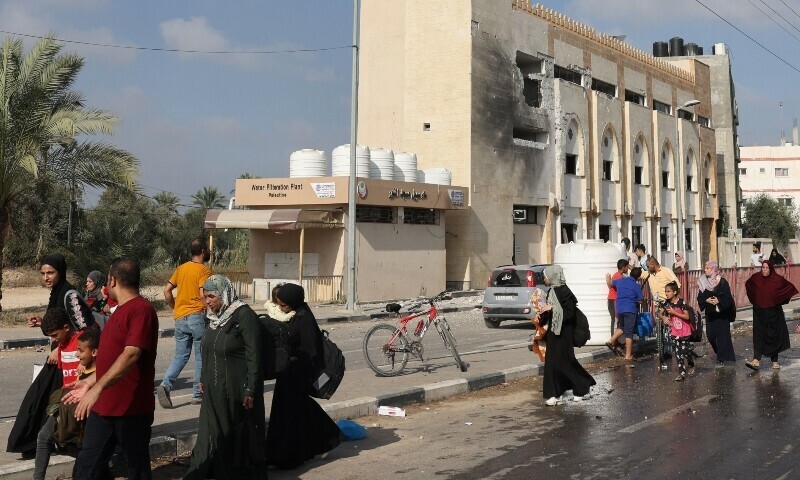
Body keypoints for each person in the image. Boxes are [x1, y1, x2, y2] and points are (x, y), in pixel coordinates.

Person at [65, 257, 159, 480]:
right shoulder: (119, 311)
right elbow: (111, 359)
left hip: (132, 410)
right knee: (86, 469)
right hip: (104, 408)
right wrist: (89, 382)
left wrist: (97, 389)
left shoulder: (141, 310)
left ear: (113, 280)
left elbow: (131, 354)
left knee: (137, 470)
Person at [184, 275, 267, 479]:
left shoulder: (244, 315)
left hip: (236, 388)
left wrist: (251, 388)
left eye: (212, 296)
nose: (208, 301)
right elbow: (207, 350)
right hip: (214, 387)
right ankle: (205, 465)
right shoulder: (214, 318)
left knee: (232, 433)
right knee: (210, 430)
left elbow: (254, 354)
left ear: (224, 294)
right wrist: (203, 378)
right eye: (205, 297)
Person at [266, 283, 342, 468]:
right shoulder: (296, 314)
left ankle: (287, 457)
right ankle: (329, 438)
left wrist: (294, 358)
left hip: (298, 373)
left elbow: (311, 351)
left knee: (290, 415)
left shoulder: (305, 318)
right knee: (298, 410)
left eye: (283, 304)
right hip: (288, 372)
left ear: (293, 301)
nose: (281, 308)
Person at [34, 325, 99, 480]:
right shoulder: (82, 368)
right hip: (66, 411)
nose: (77, 354)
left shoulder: (101, 376)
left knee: (87, 462)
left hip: (83, 426)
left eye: (81, 351)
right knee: (44, 437)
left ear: (95, 352)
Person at [158, 238, 212, 408]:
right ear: (203, 251)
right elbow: (203, 294)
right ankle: (197, 394)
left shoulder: (180, 269)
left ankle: (165, 385)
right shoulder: (204, 271)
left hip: (180, 317)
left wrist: (175, 307)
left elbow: (167, 290)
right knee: (201, 356)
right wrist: (212, 312)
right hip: (197, 315)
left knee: (180, 356)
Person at [538, 265, 596, 406]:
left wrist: (553, 308)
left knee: (565, 362)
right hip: (553, 333)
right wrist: (542, 313)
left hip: (564, 333)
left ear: (553, 277)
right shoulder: (551, 291)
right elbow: (551, 313)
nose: (544, 279)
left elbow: (569, 313)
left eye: (545, 276)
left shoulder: (565, 291)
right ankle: (556, 394)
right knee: (552, 363)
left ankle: (582, 387)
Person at [33, 308, 81, 480]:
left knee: (79, 445)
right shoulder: (61, 346)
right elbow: (63, 376)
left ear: (67, 327)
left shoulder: (83, 341)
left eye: (55, 335)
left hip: (82, 402)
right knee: (44, 437)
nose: (54, 340)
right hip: (65, 401)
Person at [744, 259, 798, 370]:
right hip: (759, 312)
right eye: (763, 267)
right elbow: (748, 285)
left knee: (773, 336)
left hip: (773, 313)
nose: (764, 270)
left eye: (767, 268)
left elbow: (789, 288)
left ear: (771, 269)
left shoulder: (777, 279)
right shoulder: (756, 278)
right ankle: (756, 360)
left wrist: (780, 300)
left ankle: (775, 361)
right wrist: (754, 300)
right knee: (759, 335)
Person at [697, 261, 736, 366]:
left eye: (707, 268)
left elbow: (728, 298)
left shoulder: (722, 282)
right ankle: (720, 352)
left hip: (722, 314)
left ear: (714, 269)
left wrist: (718, 300)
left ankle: (721, 358)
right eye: (705, 268)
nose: (705, 270)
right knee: (710, 335)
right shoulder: (703, 282)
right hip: (710, 314)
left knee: (722, 337)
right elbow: (700, 297)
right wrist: (706, 300)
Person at [641, 257, 681, 359]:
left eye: (648, 266)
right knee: (661, 327)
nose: (647, 268)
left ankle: (677, 347)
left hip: (668, 302)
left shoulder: (666, 271)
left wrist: (672, 297)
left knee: (671, 325)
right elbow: (638, 273)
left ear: (653, 265)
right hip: (657, 303)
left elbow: (677, 284)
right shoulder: (649, 273)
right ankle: (663, 349)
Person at [605, 266, 643, 367]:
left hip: (620, 309)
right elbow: (640, 300)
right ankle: (628, 355)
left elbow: (611, 283)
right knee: (629, 331)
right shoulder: (636, 286)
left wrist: (607, 279)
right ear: (638, 277)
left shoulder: (620, 281)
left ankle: (611, 340)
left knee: (622, 327)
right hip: (630, 310)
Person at [659, 282, 695, 381]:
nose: (666, 293)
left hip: (684, 331)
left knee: (685, 352)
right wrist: (664, 318)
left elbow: (687, 316)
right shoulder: (666, 303)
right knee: (678, 353)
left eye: (668, 291)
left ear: (674, 292)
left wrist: (674, 313)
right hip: (674, 331)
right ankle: (682, 373)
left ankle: (691, 363)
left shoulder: (681, 303)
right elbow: (660, 313)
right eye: (665, 291)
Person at [606, 259, 627, 337]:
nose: (627, 269)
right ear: (623, 267)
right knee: (615, 319)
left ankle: (614, 338)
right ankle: (613, 338)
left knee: (616, 319)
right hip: (613, 299)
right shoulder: (618, 276)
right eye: (627, 267)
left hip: (614, 299)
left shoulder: (619, 276)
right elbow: (611, 285)